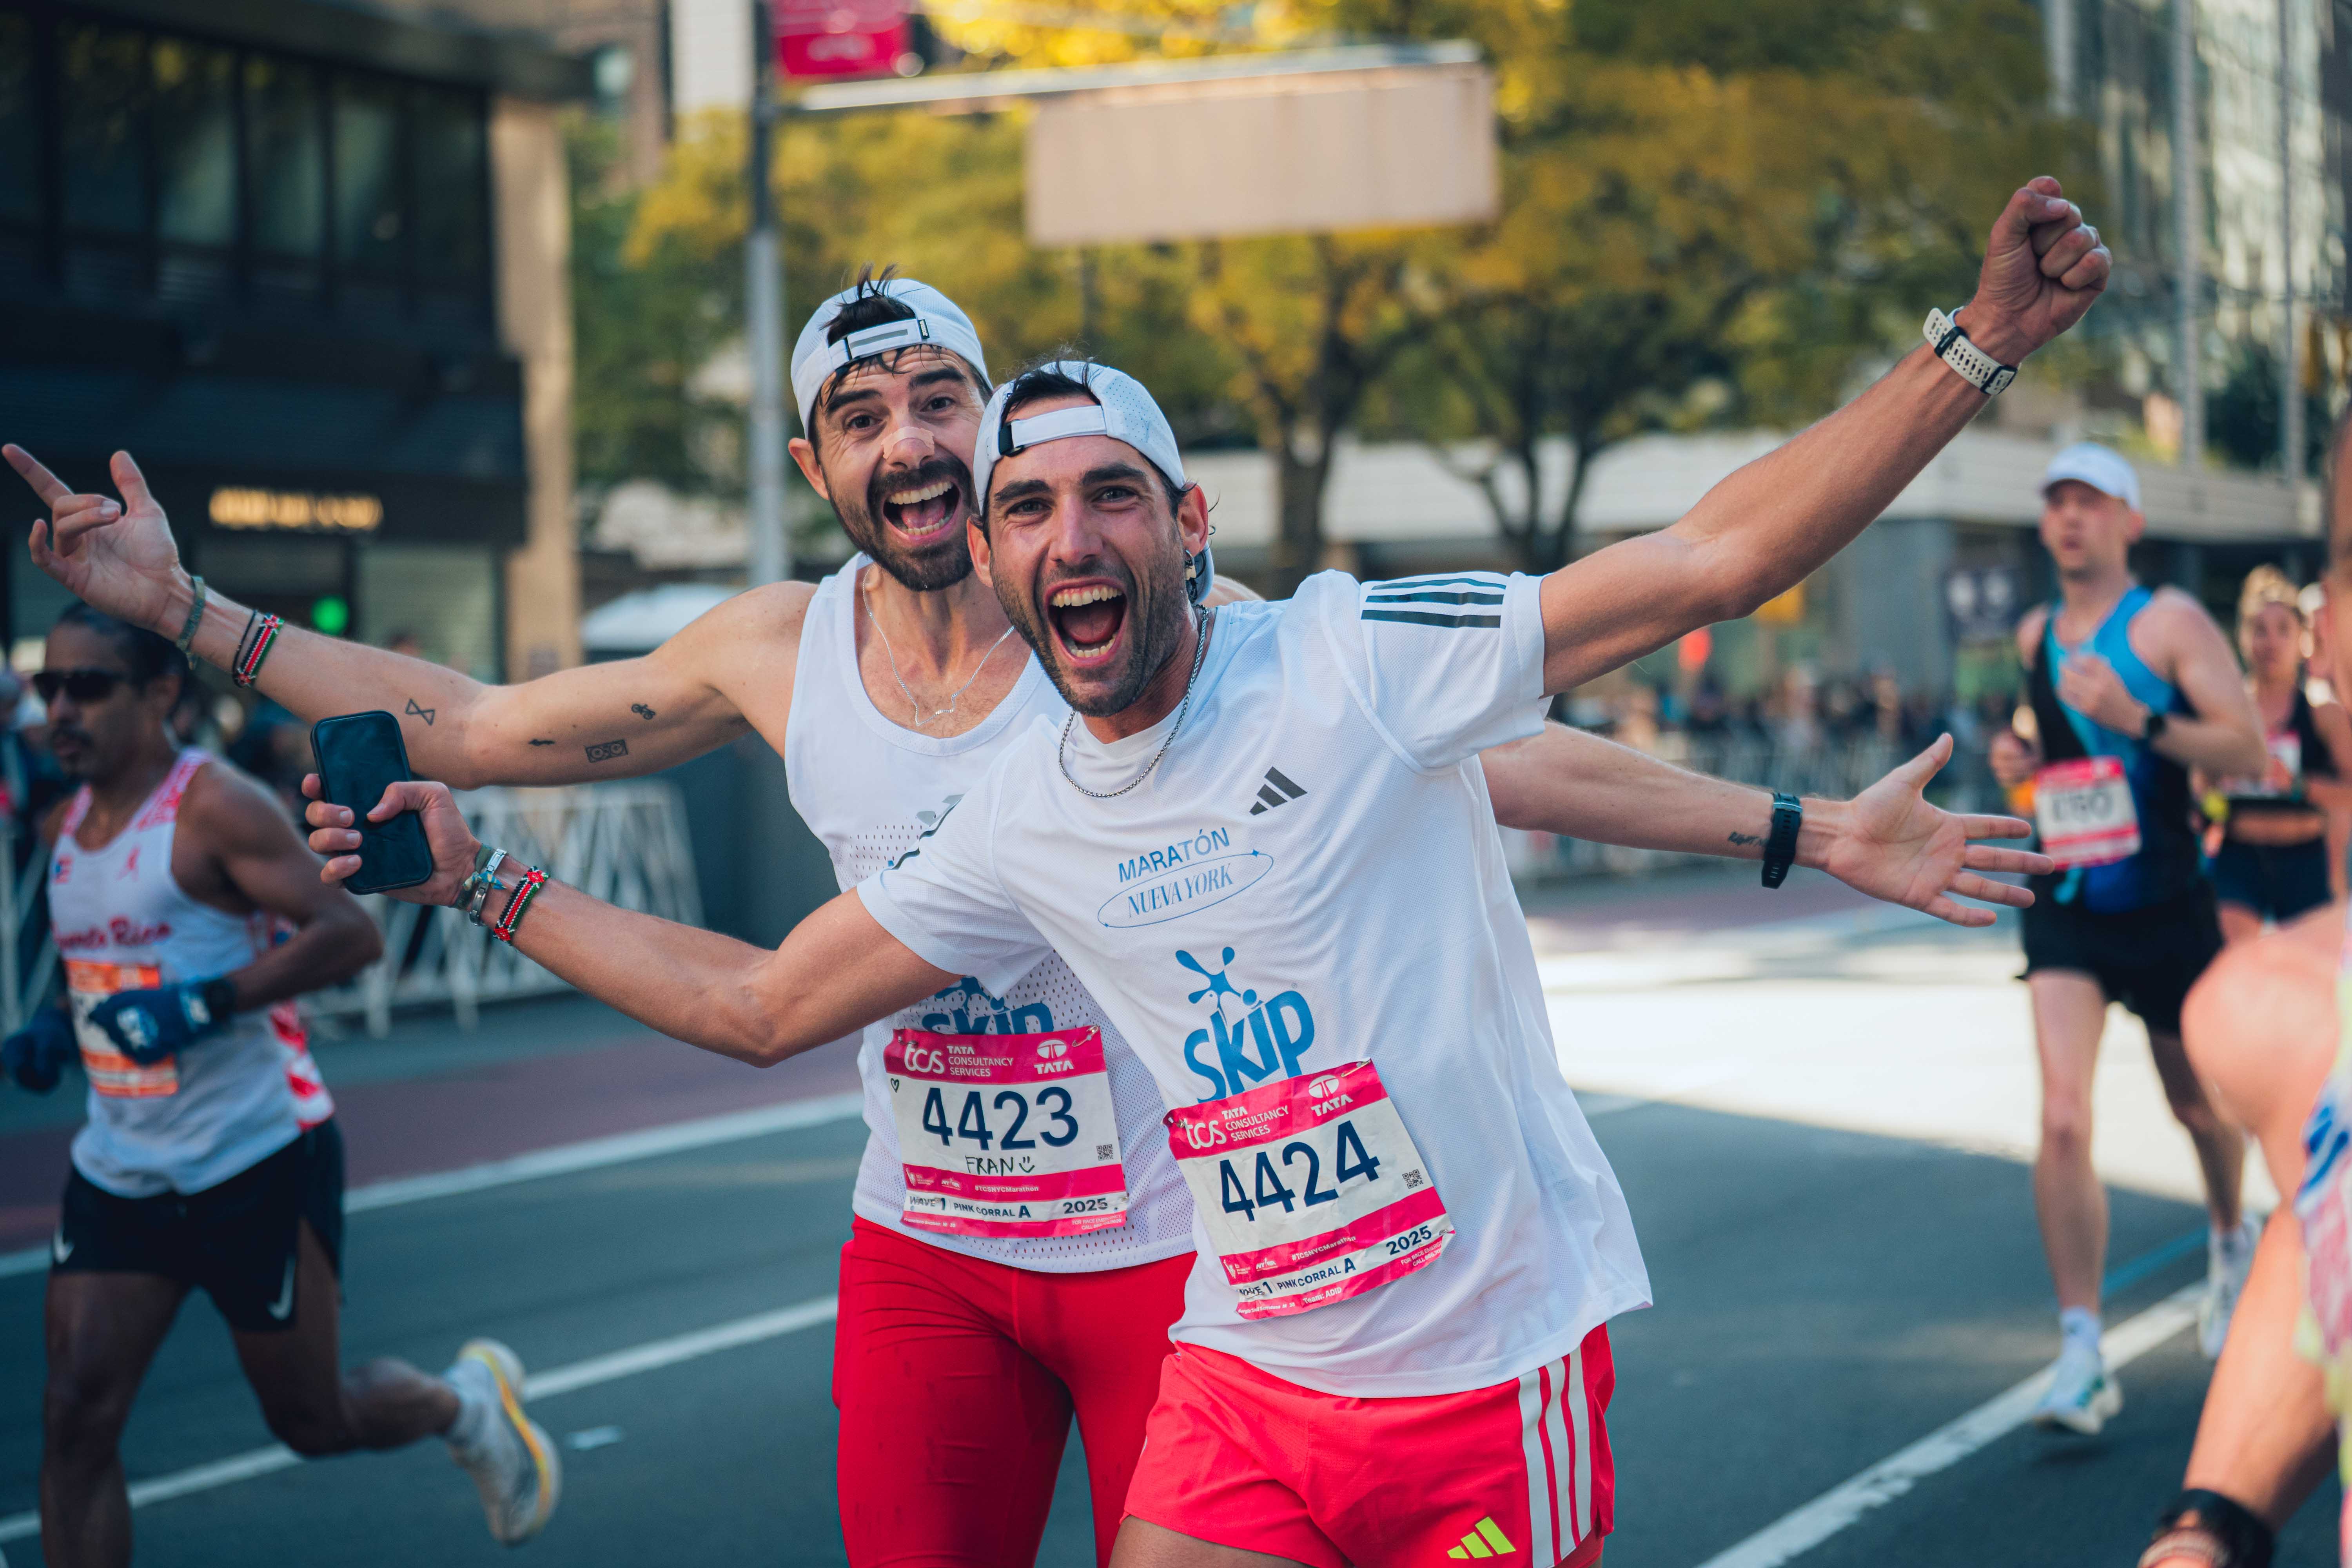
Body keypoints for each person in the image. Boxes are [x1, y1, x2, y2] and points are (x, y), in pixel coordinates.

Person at [6, 260, 2055, 1566]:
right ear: (822, 460)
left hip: (1184, 1247)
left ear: (1006, 436)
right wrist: (183, 614)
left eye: (943, 405)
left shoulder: (1192, 631)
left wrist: (1784, 825)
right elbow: (473, 732)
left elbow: (1494, 741)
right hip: (936, 1246)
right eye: (866, 416)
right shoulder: (778, 660)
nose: (913, 444)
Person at [0, 606, 559, 1566]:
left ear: (162, 694)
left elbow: (353, 934)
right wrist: (58, 1023)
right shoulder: (63, 822)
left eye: (88, 686)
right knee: (75, 1423)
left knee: (315, 1418)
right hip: (122, 1164)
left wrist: (205, 1003)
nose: (61, 708)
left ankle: (467, 1405)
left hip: (253, 1151)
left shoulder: (214, 806)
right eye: (50, 686)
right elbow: (105, 958)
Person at [1985, 441, 2270, 1430]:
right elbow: (2051, 763)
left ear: (2129, 522)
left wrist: (2142, 720)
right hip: (2070, 898)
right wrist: (2015, 757)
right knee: (2063, 1115)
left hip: (2165, 900)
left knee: (2196, 1102)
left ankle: (2232, 1233)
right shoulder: (2033, 633)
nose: (2070, 517)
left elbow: (2245, 746)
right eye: (2057, 501)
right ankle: (2079, 1347)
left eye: (2091, 502)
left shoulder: (2170, 622)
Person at [2134, 557, 2352, 1568]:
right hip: (2244, 869)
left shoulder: (2318, 718)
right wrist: (2208, 1524)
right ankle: (2233, 1213)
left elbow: (2340, 811)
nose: (2282, 637)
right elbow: (2324, 1199)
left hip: (2307, 872)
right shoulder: (2236, 701)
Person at [2199, 565, 2352, 942]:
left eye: (2283, 629)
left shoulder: (2322, 713)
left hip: (2303, 858)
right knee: (2243, 968)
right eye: (2259, 629)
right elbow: (2201, 788)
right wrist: (2213, 798)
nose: (2271, 642)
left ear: (2302, 639)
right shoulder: (2224, 710)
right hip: (2240, 858)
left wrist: (2296, 785)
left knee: (2305, 982)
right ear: (2241, 636)